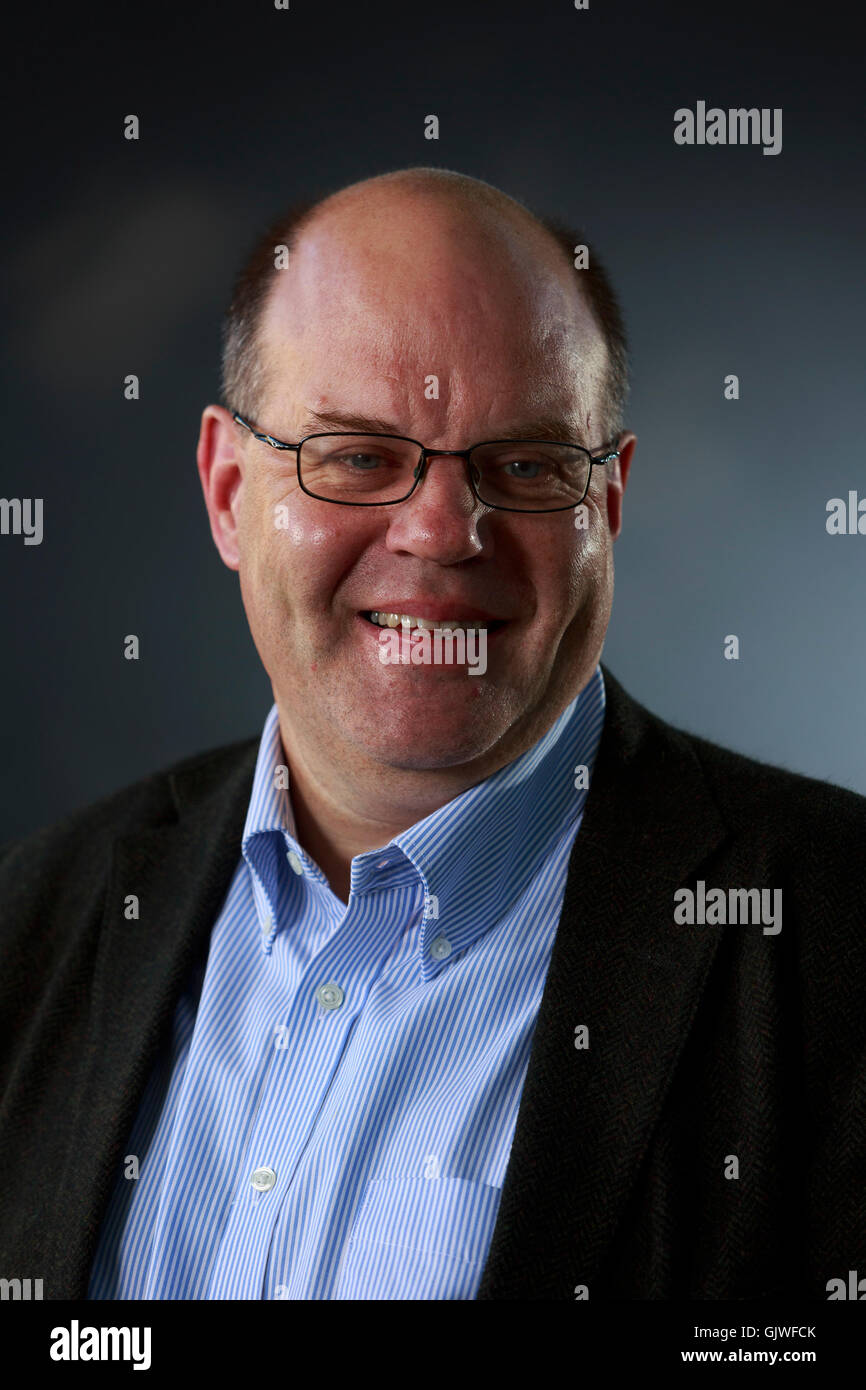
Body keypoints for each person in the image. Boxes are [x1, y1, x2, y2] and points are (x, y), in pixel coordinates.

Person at [1, 166, 863, 1301]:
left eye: (526, 465)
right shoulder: (42, 909)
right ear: (225, 491)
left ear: (603, 505)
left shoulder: (837, 939)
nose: (443, 532)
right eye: (356, 454)